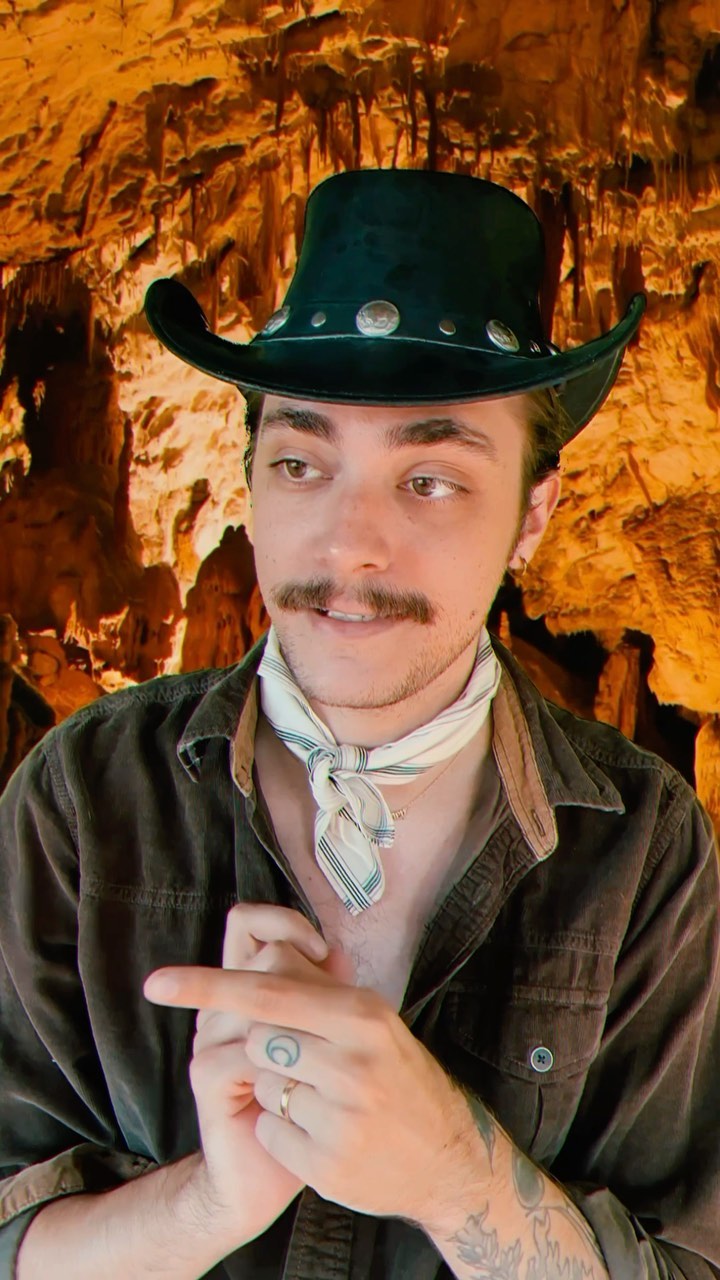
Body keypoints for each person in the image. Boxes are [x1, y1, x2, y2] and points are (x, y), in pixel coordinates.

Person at [0, 168, 718, 1280]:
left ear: (533, 513)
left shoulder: (643, 849)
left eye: (430, 479)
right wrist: (209, 1200)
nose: (351, 543)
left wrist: (459, 1178)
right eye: (301, 463)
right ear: (249, 479)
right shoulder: (83, 800)